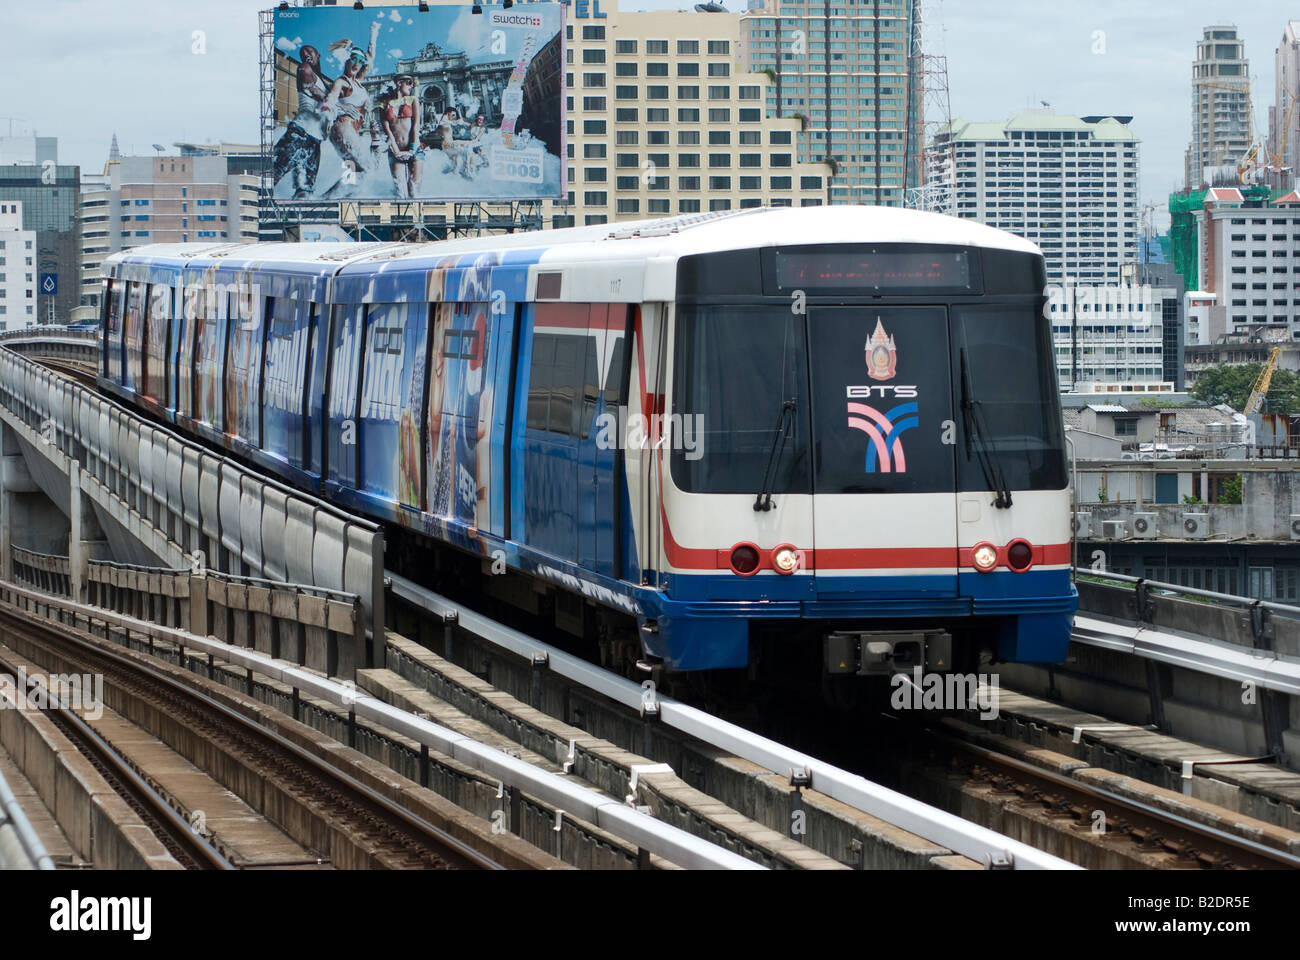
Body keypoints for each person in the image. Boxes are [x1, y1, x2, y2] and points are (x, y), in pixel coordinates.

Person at [319, 20, 380, 196]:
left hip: (349, 131)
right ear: (347, 60)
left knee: (353, 175)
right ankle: (329, 200)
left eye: (360, 61)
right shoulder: (341, 81)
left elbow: (371, 55)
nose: (356, 63)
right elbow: (329, 99)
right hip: (342, 129)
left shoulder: (358, 83)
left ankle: (326, 200)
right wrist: (338, 106)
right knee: (367, 169)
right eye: (353, 59)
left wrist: (373, 33)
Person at [272, 45, 330, 198]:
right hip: (299, 133)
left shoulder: (324, 83)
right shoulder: (304, 68)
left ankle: (299, 218)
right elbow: (306, 76)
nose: (306, 54)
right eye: (302, 53)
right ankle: (255, 205)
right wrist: (327, 99)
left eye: (309, 51)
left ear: (319, 54)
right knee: (273, 174)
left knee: (305, 189)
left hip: (315, 141)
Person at [382, 75, 423, 199]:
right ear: (399, 83)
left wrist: (411, 149)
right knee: (400, 192)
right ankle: (403, 218)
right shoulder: (385, 103)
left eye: (412, 84)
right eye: (409, 83)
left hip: (414, 150)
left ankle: (417, 218)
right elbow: (387, 129)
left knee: (414, 192)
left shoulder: (413, 100)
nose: (411, 86)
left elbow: (416, 125)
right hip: (395, 151)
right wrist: (396, 150)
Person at [457, 114, 488, 178]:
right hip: (470, 145)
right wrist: (459, 112)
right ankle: (469, 175)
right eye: (479, 119)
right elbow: (462, 122)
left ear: (483, 121)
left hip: (477, 145)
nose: (480, 120)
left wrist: (467, 143)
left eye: (481, 119)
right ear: (477, 119)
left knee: (487, 163)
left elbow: (477, 139)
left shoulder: (483, 128)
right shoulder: (472, 125)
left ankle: (478, 167)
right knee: (470, 162)